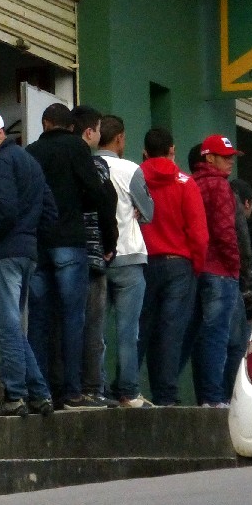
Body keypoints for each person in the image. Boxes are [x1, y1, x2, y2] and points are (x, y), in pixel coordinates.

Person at [0, 109, 58, 417]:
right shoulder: (30, 162)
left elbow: (3, 211)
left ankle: (15, 396)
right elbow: (50, 212)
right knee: (16, 328)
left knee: (6, 327)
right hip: (27, 253)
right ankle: (40, 394)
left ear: (0, 133)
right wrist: (30, 239)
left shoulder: (1, 164)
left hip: (3, 254)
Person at [26, 103, 112, 410]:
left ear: (46, 123)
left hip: (38, 243)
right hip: (70, 242)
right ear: (71, 127)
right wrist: (108, 236)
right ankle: (72, 390)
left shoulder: (32, 151)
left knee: (38, 318)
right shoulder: (77, 148)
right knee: (73, 318)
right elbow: (96, 192)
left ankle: (41, 389)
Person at [138, 129, 208, 406]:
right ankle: (166, 396)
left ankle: (126, 389)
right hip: (179, 266)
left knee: (139, 329)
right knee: (171, 332)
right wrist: (196, 266)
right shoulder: (186, 183)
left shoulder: (136, 179)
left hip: (143, 262)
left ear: (145, 152)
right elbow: (199, 234)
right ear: (172, 150)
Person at [96, 115, 153, 407]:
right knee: (128, 332)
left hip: (97, 258)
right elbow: (149, 210)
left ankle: (98, 388)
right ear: (119, 138)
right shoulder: (131, 169)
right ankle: (128, 392)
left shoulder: (90, 167)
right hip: (129, 256)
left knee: (97, 330)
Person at [186, 134, 242, 408]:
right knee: (218, 335)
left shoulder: (190, 184)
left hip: (196, 269)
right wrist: (235, 265)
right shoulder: (220, 187)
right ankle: (214, 398)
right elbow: (224, 231)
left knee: (197, 335)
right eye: (225, 157)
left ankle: (203, 397)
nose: (230, 162)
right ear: (209, 157)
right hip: (220, 270)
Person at [73, 107, 119, 409]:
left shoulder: (56, 163)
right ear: (90, 132)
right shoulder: (96, 166)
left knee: (65, 322)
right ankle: (93, 387)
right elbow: (106, 204)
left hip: (64, 252)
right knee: (93, 326)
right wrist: (110, 242)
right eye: (98, 129)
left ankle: (68, 385)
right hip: (93, 254)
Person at [223, 178, 252, 401]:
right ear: (247, 204)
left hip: (206, 276)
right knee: (236, 344)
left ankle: (214, 397)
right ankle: (234, 398)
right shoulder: (234, 207)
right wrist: (247, 286)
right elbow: (244, 250)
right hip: (229, 278)